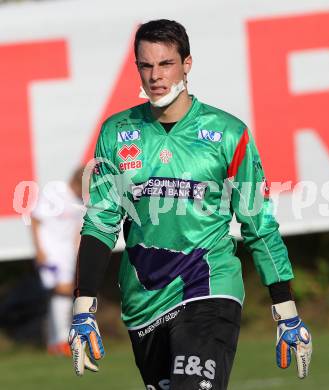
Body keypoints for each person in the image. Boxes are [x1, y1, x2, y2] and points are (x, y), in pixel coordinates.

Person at [69, 19, 312, 389]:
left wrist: (285, 307)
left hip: (209, 287)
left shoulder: (229, 133)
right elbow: (101, 222)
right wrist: (83, 304)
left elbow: (258, 223)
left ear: (187, 64)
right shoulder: (117, 133)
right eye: (145, 65)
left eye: (165, 63)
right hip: (143, 300)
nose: (155, 76)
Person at [31, 167, 85, 356]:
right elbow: (36, 219)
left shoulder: (79, 202)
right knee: (63, 291)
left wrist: (79, 254)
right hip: (50, 253)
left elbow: (76, 230)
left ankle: (54, 342)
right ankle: (62, 341)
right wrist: (39, 249)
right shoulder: (56, 194)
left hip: (67, 255)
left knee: (61, 294)